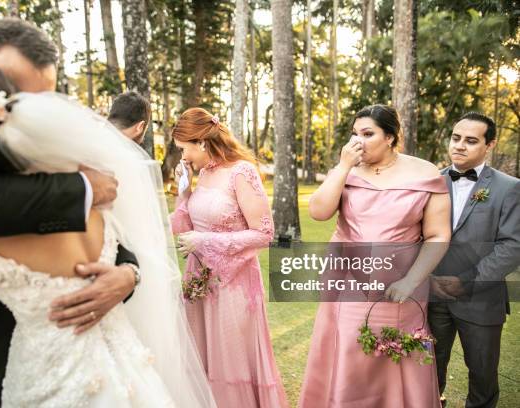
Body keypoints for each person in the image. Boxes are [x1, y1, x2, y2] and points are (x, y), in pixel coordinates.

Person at [0, 38, 215, 407]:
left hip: (78, 373)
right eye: (14, 91)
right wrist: (82, 188)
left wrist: (128, 273)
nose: (24, 109)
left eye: (42, 99)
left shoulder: (75, 177)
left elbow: (121, 245)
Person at [299, 104, 451, 407]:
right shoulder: (346, 171)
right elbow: (318, 212)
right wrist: (342, 168)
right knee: (350, 354)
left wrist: (410, 281)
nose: (358, 142)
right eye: (355, 134)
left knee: (395, 358)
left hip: (403, 285)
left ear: (391, 137)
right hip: (348, 283)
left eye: (368, 134)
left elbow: (438, 235)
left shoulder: (425, 173)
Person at [170, 108, 288, 408]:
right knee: (203, 357)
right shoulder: (205, 173)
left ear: (202, 142)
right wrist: (183, 194)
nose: (183, 158)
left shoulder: (242, 172)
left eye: (184, 149)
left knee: (231, 362)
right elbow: (184, 228)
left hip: (234, 286)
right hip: (200, 283)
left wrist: (206, 241)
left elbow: (264, 233)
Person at [428, 112, 520, 408]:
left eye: (470, 141)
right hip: (432, 296)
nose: (460, 146)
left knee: (482, 376)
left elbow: (513, 245)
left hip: (481, 299)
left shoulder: (509, 187)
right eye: (456, 138)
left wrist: (466, 282)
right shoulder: (431, 182)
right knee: (426, 371)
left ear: (489, 144)